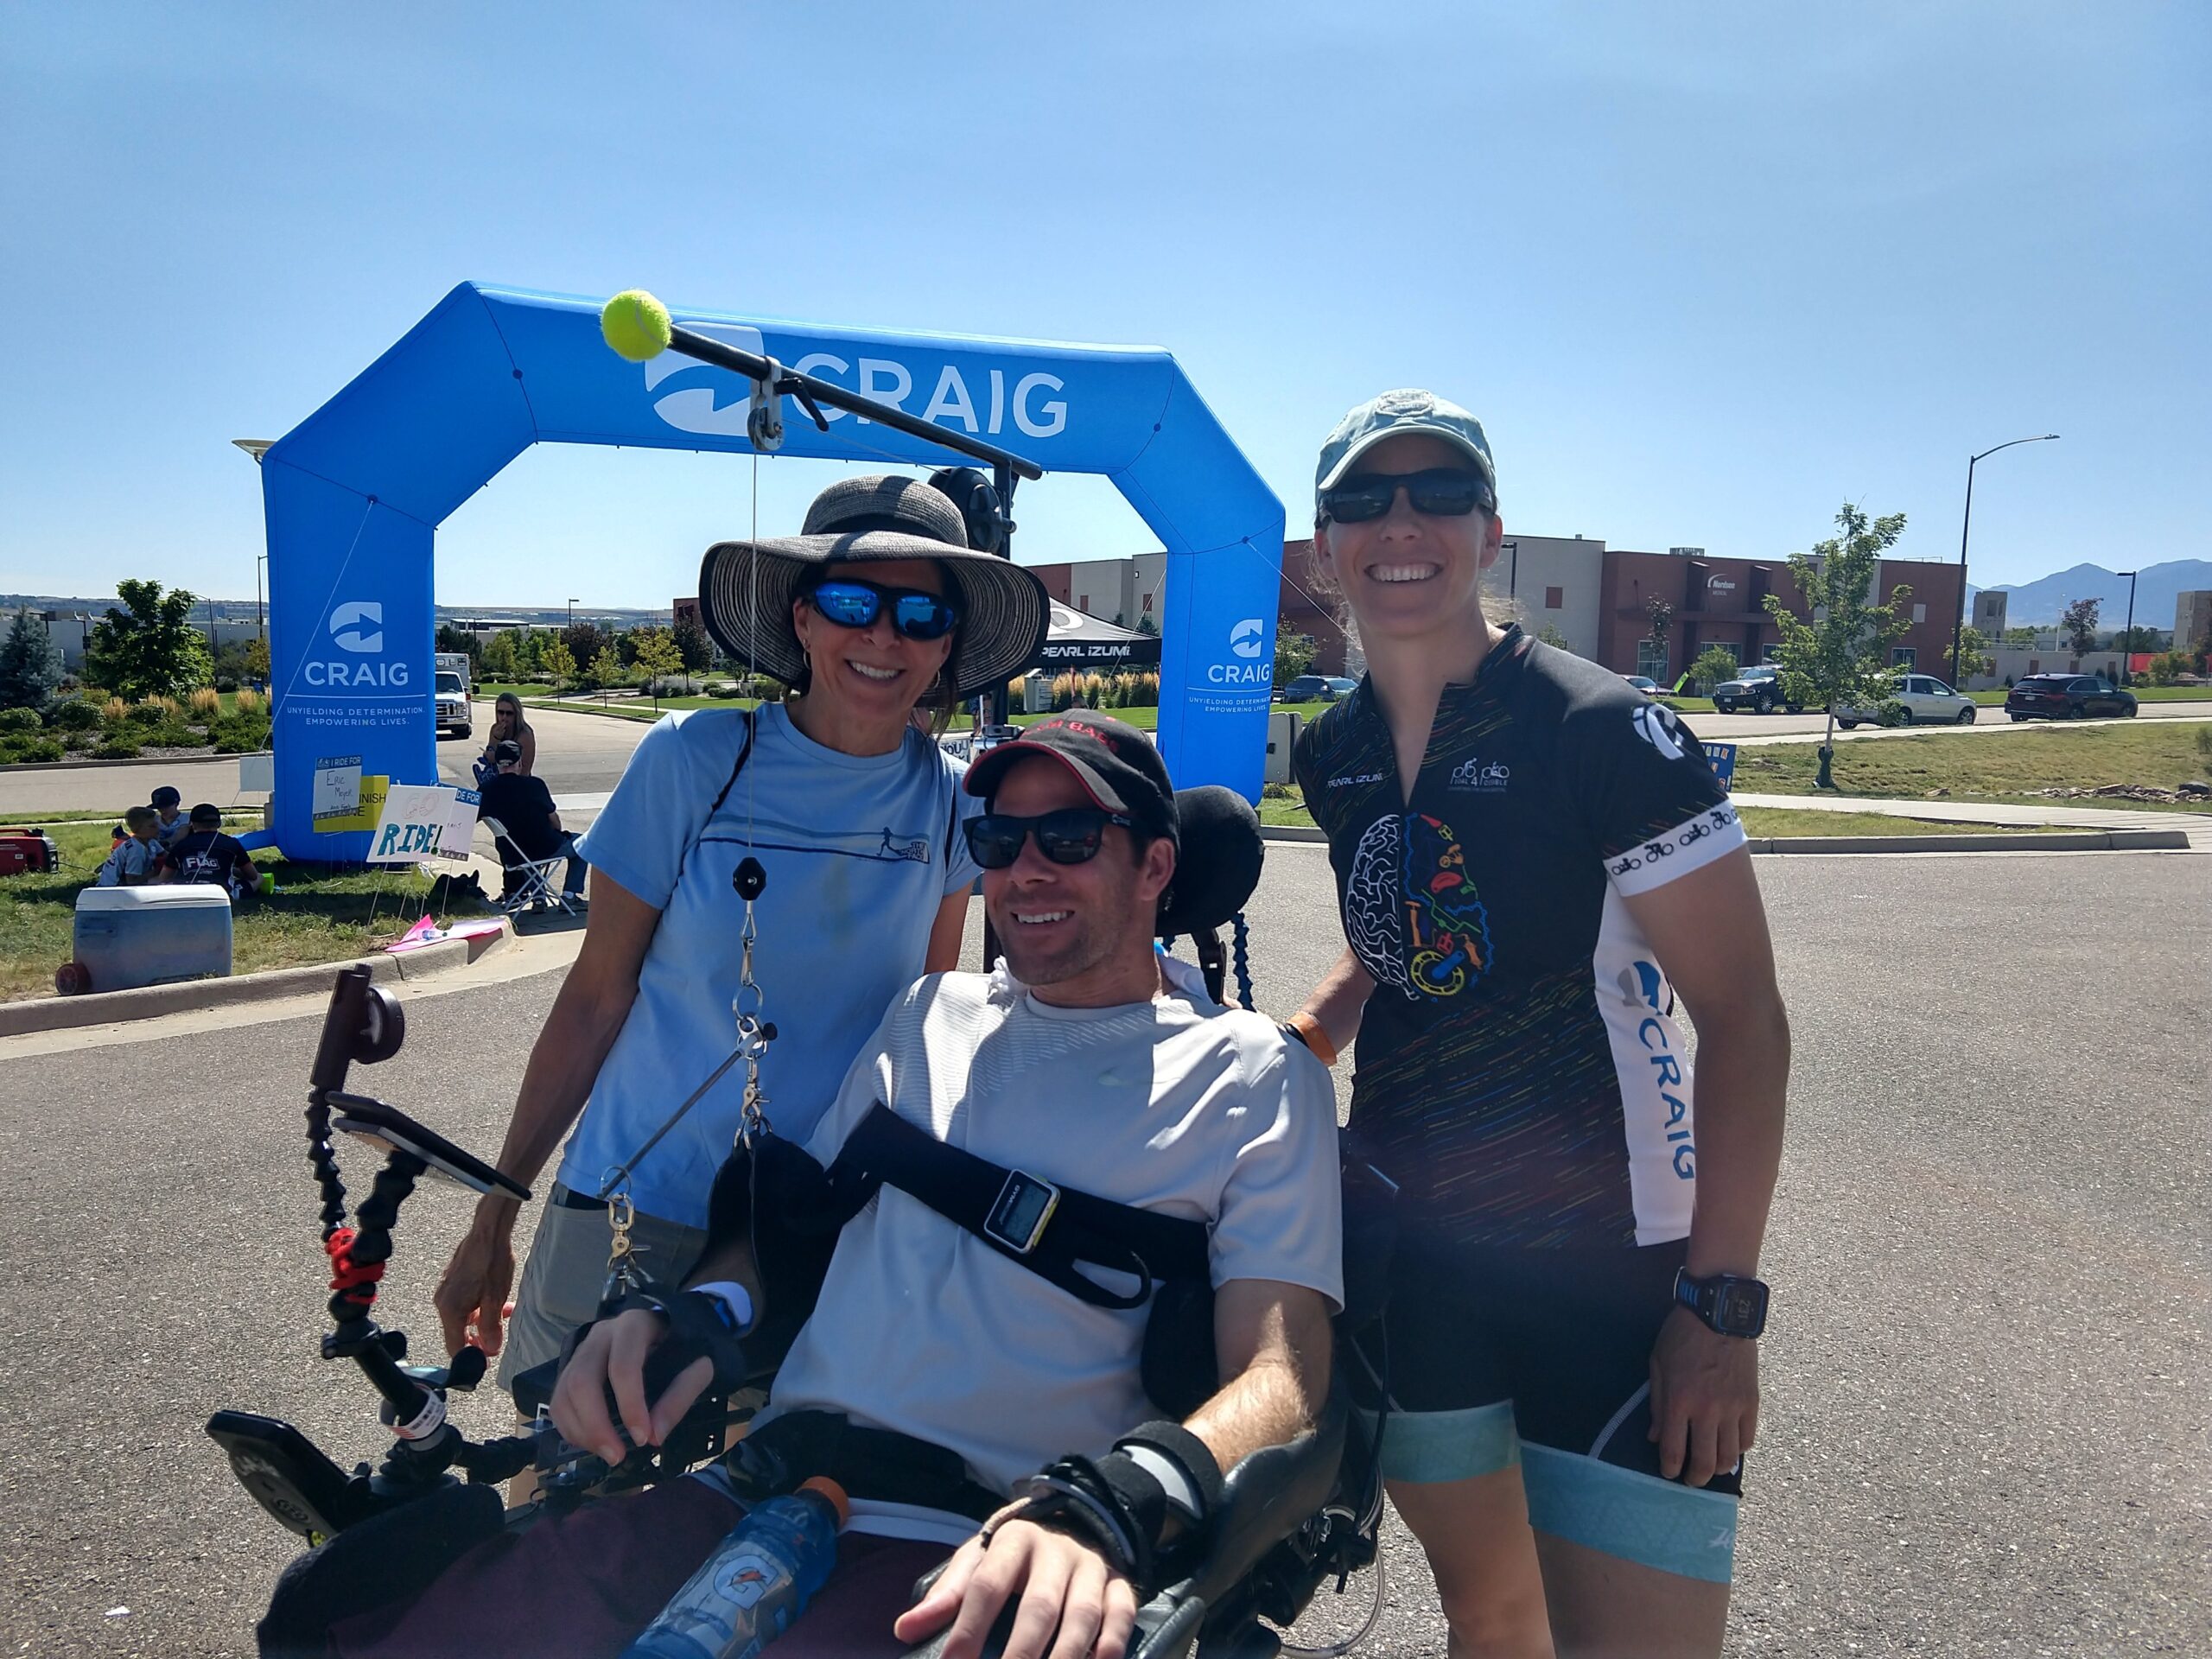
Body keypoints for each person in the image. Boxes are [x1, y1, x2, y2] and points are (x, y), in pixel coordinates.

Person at [332, 714, 1343, 1659]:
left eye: (1070, 838)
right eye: (998, 841)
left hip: (991, 1538)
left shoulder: (1251, 1075)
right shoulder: (926, 1014)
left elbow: (1283, 1381)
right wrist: (690, 1315)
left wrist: (1114, 1501)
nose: (1024, 869)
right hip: (763, 1485)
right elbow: (792, 1234)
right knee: (374, 1617)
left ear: (1155, 864)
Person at [1285, 391, 1791, 1659]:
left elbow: (1743, 1019)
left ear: (1491, 529)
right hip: (1417, 1257)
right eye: (1364, 499)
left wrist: (1720, 1310)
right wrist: (1302, 1041)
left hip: (1611, 1269)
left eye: (1439, 494)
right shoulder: (1333, 749)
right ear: (1324, 542)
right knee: (1495, 1622)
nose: (1402, 524)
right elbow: (1410, 915)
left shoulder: (1603, 731)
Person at [435, 475, 1052, 1417]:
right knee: (556, 1496)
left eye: (922, 614)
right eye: (854, 602)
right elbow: (596, 996)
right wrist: (496, 1206)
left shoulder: (955, 801)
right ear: (802, 619)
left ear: (948, 646)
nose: (885, 636)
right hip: (634, 1200)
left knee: (740, 1512)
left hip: (810, 1218)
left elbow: (928, 1022)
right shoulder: (693, 759)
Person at [475, 740, 585, 902]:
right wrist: (558, 834)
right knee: (584, 843)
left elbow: (472, 818)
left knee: (525, 850)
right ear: (519, 762)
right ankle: (569, 895)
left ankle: (539, 897)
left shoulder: (485, 790)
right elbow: (554, 821)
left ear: (497, 764)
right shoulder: (535, 785)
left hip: (512, 855)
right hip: (545, 848)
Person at [160, 803, 260, 899]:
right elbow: (253, 875)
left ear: (192, 825)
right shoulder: (231, 843)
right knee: (259, 878)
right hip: (222, 896)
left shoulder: (181, 845)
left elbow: (164, 878)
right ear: (219, 824)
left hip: (187, 894)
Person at [475, 693, 536, 787]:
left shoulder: (525, 734)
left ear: (516, 714)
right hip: (497, 782)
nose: (504, 717)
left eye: (509, 713)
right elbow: (490, 751)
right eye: (500, 712)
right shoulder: (495, 729)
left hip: (519, 785)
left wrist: (496, 758)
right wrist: (496, 739)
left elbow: (525, 769)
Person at [95, 806, 162, 887]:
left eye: (158, 824)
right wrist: (158, 871)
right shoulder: (137, 850)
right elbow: (132, 881)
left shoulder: (151, 841)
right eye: (152, 826)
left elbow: (167, 856)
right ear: (137, 829)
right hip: (112, 888)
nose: (158, 828)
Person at [149, 785, 191, 850]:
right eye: (159, 807)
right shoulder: (153, 820)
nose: (162, 810)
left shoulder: (188, 818)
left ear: (176, 804)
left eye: (166, 806)